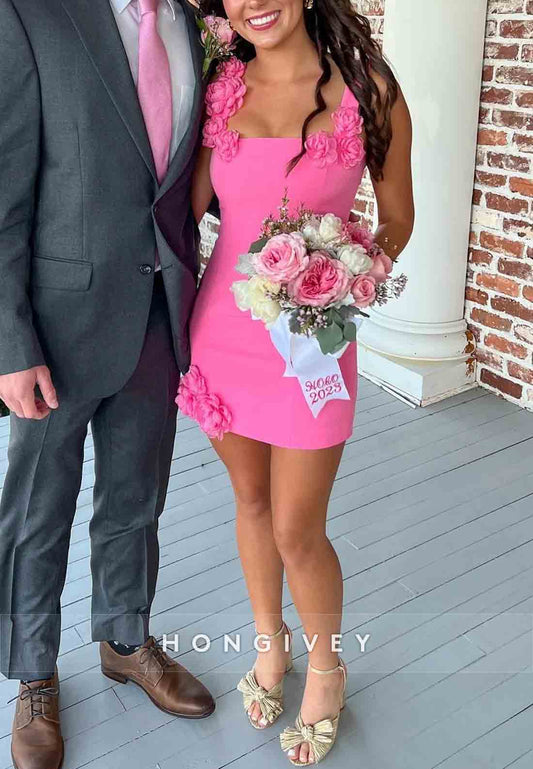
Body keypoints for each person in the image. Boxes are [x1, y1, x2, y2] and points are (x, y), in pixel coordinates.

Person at [182, 0, 414, 764]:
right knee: (250, 501)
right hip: (223, 337)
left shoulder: (369, 88)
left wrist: (344, 272)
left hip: (313, 347)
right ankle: (268, 642)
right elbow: (183, 214)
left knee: (297, 528)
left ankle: (325, 668)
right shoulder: (218, 90)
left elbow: (397, 216)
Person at [0, 2, 216, 767]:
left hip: (159, 314)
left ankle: (125, 638)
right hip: (56, 325)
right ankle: (33, 669)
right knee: (38, 508)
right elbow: (4, 191)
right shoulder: (30, 14)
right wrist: (11, 342)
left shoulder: (189, 24)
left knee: (135, 495)